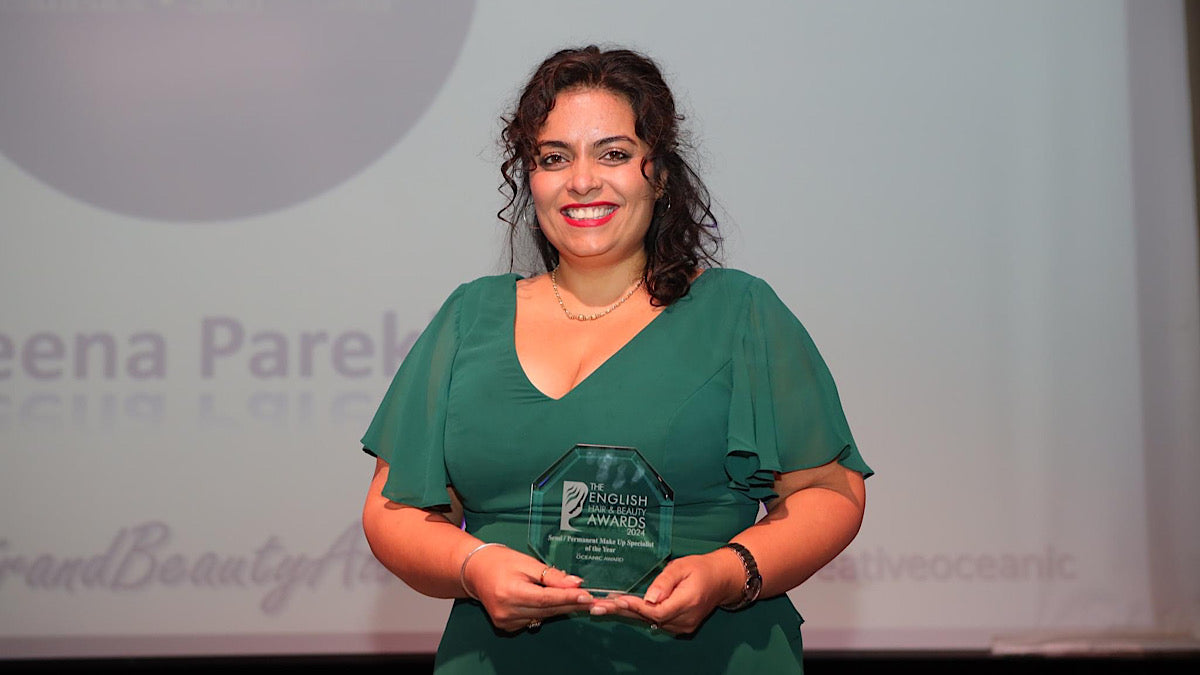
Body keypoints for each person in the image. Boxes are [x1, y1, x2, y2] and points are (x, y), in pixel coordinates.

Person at [360, 45, 872, 674]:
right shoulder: (469, 317)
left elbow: (829, 492)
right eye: (554, 158)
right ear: (531, 179)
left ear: (658, 173)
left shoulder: (739, 311)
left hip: (709, 657)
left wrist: (726, 572)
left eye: (614, 154)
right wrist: (474, 566)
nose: (582, 181)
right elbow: (394, 512)